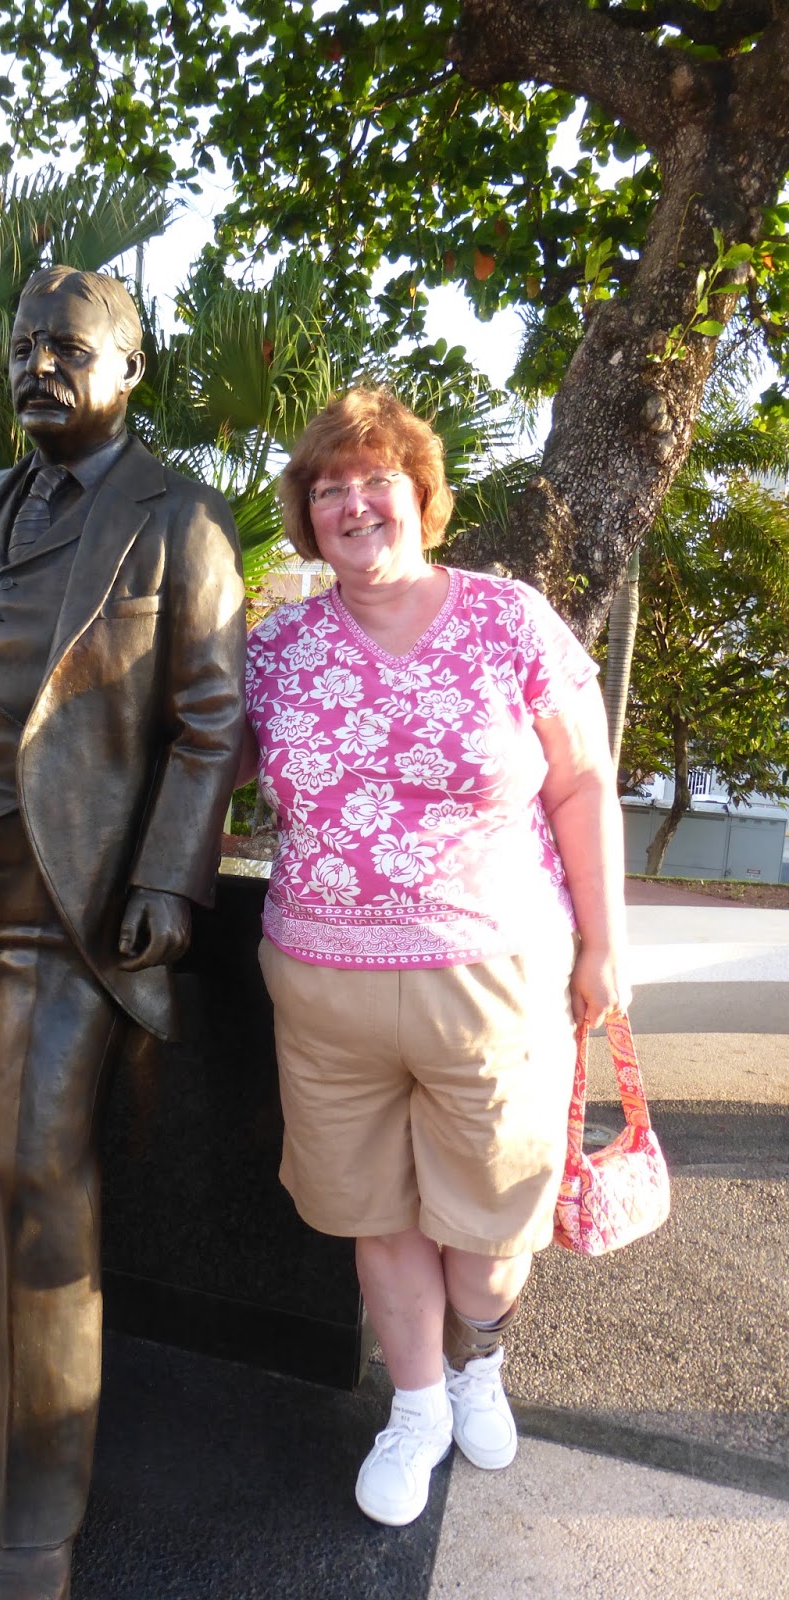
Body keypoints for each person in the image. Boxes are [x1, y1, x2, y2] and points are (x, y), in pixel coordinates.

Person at [0, 266, 246, 1600]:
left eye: (68, 349)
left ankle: (37, 1512)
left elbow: (210, 721)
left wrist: (172, 882)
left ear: (129, 371)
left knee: (37, 1176)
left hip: (67, 899)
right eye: (25, 346)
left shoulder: (179, 517)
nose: (37, 366)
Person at [241, 387, 629, 1528]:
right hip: (324, 989)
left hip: (495, 981)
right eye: (329, 489)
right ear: (308, 517)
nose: (354, 503)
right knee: (382, 1217)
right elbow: (190, 760)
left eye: (377, 480)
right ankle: (415, 1407)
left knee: (494, 1226)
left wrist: (605, 943)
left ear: (421, 495)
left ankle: (479, 1364)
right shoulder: (274, 648)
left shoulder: (510, 618)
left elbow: (581, 783)